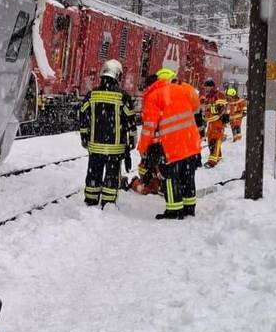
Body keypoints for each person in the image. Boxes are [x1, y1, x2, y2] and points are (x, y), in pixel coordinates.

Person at [138, 68, 202, 219]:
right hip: (191, 142)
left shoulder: (154, 96)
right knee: (188, 176)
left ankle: (174, 211)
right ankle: (189, 208)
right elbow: (195, 107)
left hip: (171, 145)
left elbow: (149, 127)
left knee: (170, 177)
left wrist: (142, 148)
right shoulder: (183, 90)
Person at [78, 60, 137, 208]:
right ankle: (108, 203)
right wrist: (131, 142)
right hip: (115, 148)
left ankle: (91, 199)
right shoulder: (123, 97)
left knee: (94, 173)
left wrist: (84, 136)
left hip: (95, 145)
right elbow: (131, 121)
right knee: (111, 176)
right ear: (117, 75)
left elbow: (83, 118)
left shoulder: (92, 95)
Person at [200, 78, 230, 167]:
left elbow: (222, 107)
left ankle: (212, 161)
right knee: (210, 140)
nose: (206, 89)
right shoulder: (208, 96)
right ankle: (218, 156)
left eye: (207, 87)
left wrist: (221, 115)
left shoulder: (218, 95)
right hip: (211, 122)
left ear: (211, 87)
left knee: (215, 141)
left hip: (217, 121)